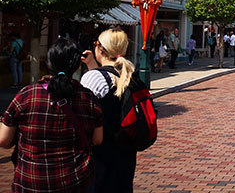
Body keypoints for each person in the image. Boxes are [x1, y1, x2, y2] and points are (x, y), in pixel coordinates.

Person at [0, 38, 103, 192]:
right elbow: (97, 139)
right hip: (76, 181)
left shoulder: (27, 95)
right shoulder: (88, 98)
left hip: (32, 181)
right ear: (76, 66)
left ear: (49, 64)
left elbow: (4, 140)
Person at [80, 29, 138, 192]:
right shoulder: (130, 75)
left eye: (96, 43)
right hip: (126, 150)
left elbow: (85, 108)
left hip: (101, 152)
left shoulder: (94, 78)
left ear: (101, 49)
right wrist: (92, 65)